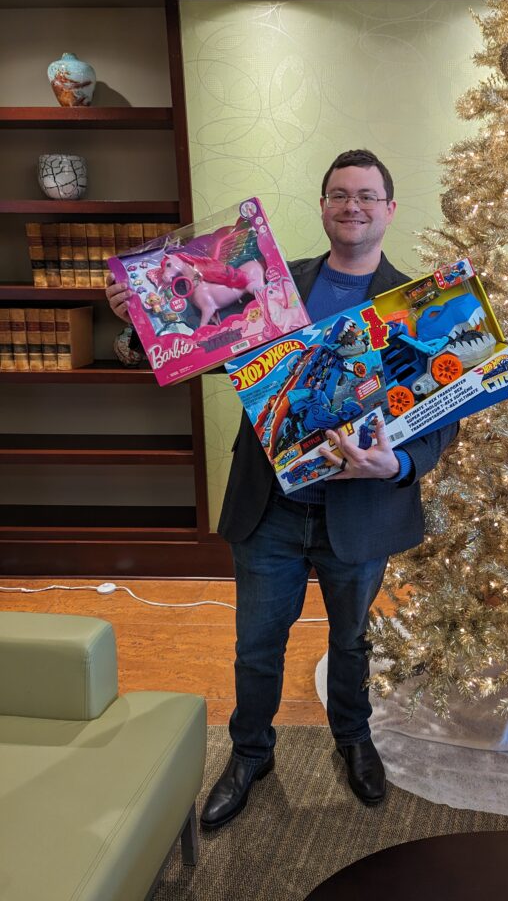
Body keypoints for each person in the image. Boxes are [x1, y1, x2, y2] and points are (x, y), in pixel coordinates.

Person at [106, 149, 457, 828]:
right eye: (337, 194)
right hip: (270, 510)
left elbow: (441, 411)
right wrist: (137, 317)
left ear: (388, 208)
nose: (351, 205)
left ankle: (353, 741)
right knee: (256, 644)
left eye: (365, 194)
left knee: (351, 642)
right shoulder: (272, 283)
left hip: (359, 514)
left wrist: (403, 467)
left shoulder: (415, 302)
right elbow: (186, 353)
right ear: (322, 207)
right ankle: (249, 753)